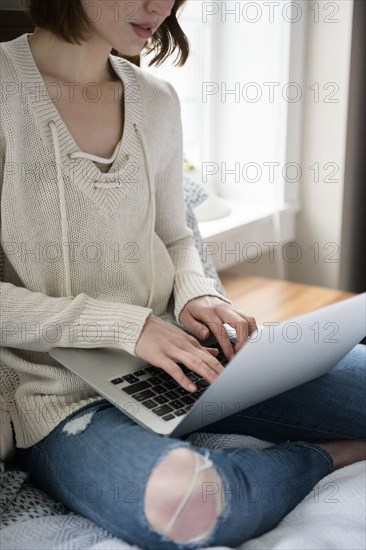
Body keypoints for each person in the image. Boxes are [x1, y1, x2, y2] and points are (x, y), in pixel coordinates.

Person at [0, 1, 365, 548]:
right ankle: (326, 456)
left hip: (189, 361)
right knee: (197, 509)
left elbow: (175, 234)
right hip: (57, 391)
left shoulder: (155, 99)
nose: (159, 5)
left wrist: (197, 295)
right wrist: (131, 328)